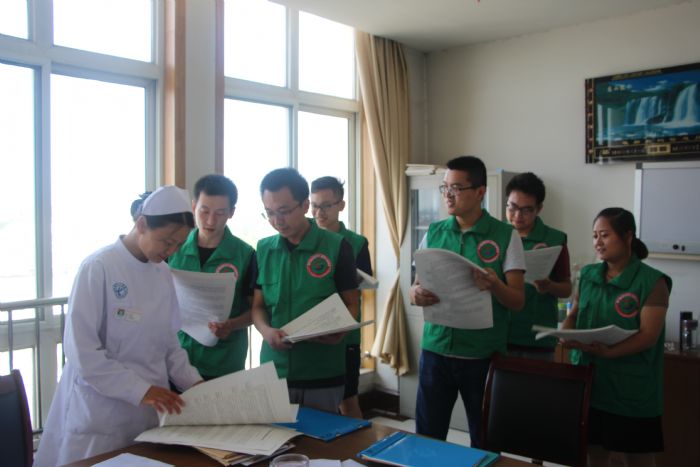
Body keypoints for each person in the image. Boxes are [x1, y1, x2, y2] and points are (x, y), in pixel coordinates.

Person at [34, 186, 203, 467]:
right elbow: (82, 352)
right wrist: (141, 390)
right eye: (166, 241)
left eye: (178, 245)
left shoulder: (163, 274)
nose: (170, 251)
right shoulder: (98, 267)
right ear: (142, 224)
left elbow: (169, 345)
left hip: (147, 415)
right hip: (102, 414)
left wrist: (196, 385)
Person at [409, 155, 526, 447]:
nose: (448, 195)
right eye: (445, 187)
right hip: (436, 351)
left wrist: (495, 285)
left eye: (457, 188)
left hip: (482, 355)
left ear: (480, 192)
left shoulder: (505, 235)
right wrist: (416, 295)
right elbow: (415, 286)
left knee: (484, 438)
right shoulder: (435, 232)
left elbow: (517, 300)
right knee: (428, 437)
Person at [562, 207, 671, 467]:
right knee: (593, 453)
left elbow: (648, 336)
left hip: (630, 388)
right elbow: (574, 314)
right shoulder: (588, 275)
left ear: (627, 237)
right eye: (594, 236)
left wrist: (609, 352)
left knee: (638, 457)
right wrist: (565, 332)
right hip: (590, 381)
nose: (598, 242)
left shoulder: (652, 281)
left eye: (605, 235)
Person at [251, 168, 360, 413]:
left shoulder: (336, 246)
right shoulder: (264, 249)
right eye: (269, 213)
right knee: (275, 437)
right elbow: (257, 306)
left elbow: (352, 303)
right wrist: (266, 331)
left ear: (304, 205)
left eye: (284, 211)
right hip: (274, 371)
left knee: (321, 436)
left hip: (322, 371)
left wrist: (340, 331)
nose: (277, 220)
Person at [168, 174, 256, 379]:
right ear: (193, 207)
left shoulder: (246, 255)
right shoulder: (173, 248)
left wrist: (232, 324)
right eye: (204, 211)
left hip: (224, 362)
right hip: (177, 358)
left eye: (220, 213)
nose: (210, 221)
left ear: (231, 212)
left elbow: (256, 311)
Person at [311, 176, 372, 419]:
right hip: (310, 330)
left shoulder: (356, 243)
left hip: (344, 333)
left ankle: (357, 444)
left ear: (341, 205)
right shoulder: (305, 237)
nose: (319, 212)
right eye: (314, 205)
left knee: (348, 402)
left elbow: (363, 283)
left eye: (326, 205)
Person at [505, 172, 572, 360]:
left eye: (526, 210)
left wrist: (549, 286)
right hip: (500, 334)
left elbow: (566, 288)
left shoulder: (554, 239)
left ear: (539, 208)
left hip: (537, 339)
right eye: (512, 207)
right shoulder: (496, 236)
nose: (518, 215)